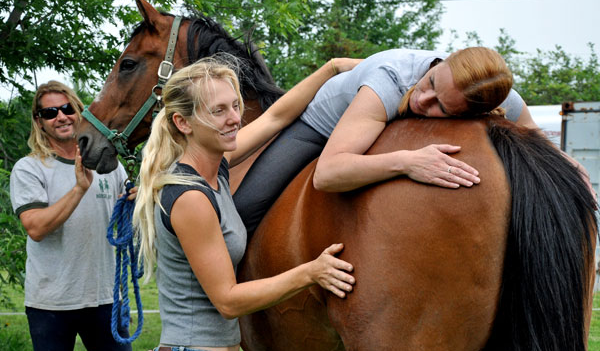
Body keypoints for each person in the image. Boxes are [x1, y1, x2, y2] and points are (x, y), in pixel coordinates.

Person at [133, 56, 359, 351]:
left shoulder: (215, 169)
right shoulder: (191, 196)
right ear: (183, 122)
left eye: (235, 105)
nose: (235, 118)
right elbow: (227, 300)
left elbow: (276, 117)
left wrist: (332, 69)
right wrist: (311, 272)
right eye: (219, 110)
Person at [233, 47, 585, 236]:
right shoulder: (389, 81)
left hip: (378, 118)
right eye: (430, 82)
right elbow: (327, 174)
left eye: (441, 107)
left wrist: (567, 164)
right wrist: (407, 161)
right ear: (441, 62)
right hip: (321, 126)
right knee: (245, 208)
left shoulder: (497, 96)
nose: (422, 100)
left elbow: (534, 134)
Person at [9, 81, 138, 351]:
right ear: (39, 121)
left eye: (67, 108)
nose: (61, 117)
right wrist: (79, 188)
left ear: (79, 111)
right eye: (50, 112)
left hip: (106, 297)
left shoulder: (108, 163)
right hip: (51, 302)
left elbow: (128, 217)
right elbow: (35, 227)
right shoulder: (30, 168)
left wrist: (138, 202)